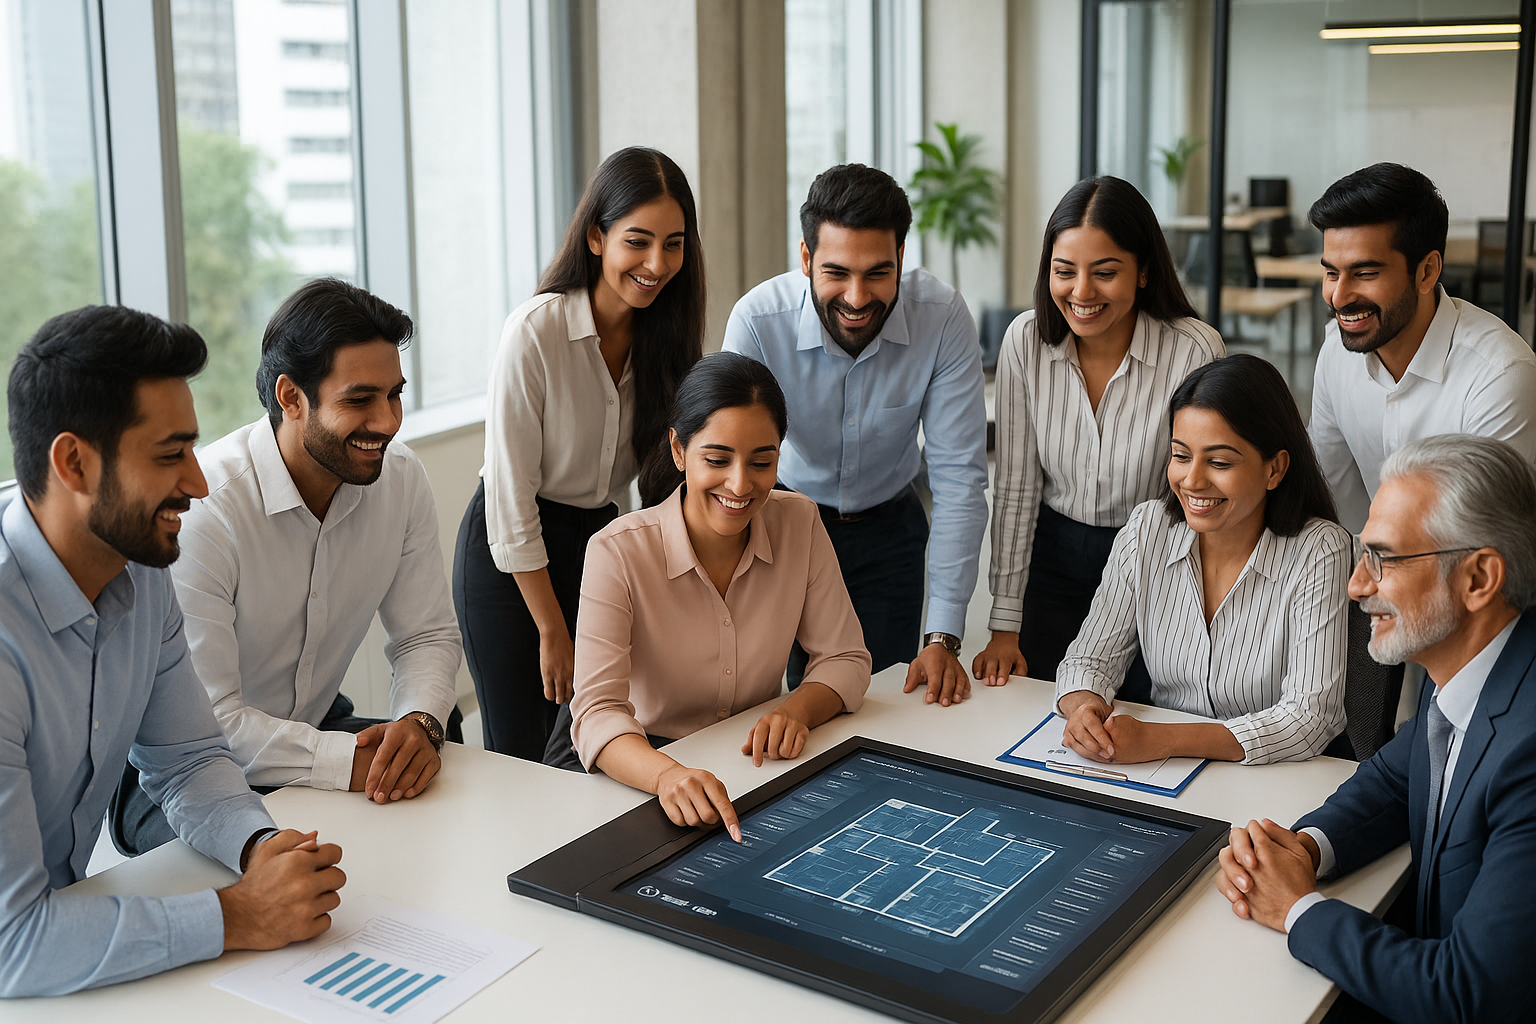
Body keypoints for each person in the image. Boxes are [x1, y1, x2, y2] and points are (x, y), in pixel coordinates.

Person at [0, 306, 345, 996]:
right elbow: (12, 944)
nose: (198, 482)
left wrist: (259, 849)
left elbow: (186, 761)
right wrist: (238, 915)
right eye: (168, 455)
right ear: (73, 463)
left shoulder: (138, 566)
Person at [109, 279, 465, 856]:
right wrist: (346, 761)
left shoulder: (400, 479)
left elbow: (425, 635)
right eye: (360, 400)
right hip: (186, 771)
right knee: (303, 868)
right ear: (291, 397)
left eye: (394, 395)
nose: (388, 421)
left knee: (439, 751)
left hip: (313, 725)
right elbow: (210, 725)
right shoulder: (206, 511)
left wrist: (418, 723)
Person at [1216, 434, 1536, 1024]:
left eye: (1383, 559)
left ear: (1478, 579)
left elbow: (1466, 995)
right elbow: (1394, 780)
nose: (1357, 585)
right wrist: (1305, 850)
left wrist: (1296, 909)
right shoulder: (1469, 662)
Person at [454, 147, 705, 761]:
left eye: (673, 245)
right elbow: (511, 502)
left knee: (586, 752)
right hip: (511, 561)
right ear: (596, 237)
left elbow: (665, 484)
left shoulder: (668, 341)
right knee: (521, 758)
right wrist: (551, 627)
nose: (657, 264)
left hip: (595, 546)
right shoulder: (535, 331)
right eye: (637, 242)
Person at [565, 353, 870, 834]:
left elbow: (846, 658)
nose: (740, 484)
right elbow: (596, 713)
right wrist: (665, 775)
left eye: (762, 462)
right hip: (644, 764)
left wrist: (795, 711)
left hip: (751, 760)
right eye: (717, 460)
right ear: (679, 450)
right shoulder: (616, 552)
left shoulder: (800, 521)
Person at [722, 163, 987, 708]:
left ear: (901, 259)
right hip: (782, 524)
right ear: (805, 258)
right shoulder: (758, 323)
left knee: (880, 703)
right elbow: (730, 460)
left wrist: (942, 638)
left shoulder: (942, 318)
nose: (858, 296)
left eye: (877, 273)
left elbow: (959, 478)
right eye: (837, 272)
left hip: (890, 531)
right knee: (776, 702)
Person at [974, 176, 1224, 688]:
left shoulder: (1193, 350)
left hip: (1157, 562)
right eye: (1064, 271)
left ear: (1143, 271)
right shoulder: (1025, 340)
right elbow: (1017, 488)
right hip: (1052, 559)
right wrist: (1004, 623)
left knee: (1136, 717)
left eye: (1105, 273)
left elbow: (1203, 491)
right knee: (1041, 710)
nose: (1082, 292)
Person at [1056, 355, 1349, 764]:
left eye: (1219, 462)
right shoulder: (1147, 529)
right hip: (1158, 773)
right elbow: (1089, 659)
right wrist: (1084, 706)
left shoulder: (1319, 549)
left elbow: (1310, 717)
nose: (1192, 481)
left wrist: (1167, 740)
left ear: (1275, 469)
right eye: (1181, 455)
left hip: (1269, 778)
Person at [1308, 162, 1536, 535]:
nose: (1339, 296)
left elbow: (1484, 541)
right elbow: (1330, 497)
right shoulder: (1336, 352)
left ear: (1427, 272)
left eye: (1365, 274)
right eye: (1332, 273)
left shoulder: (1499, 376)